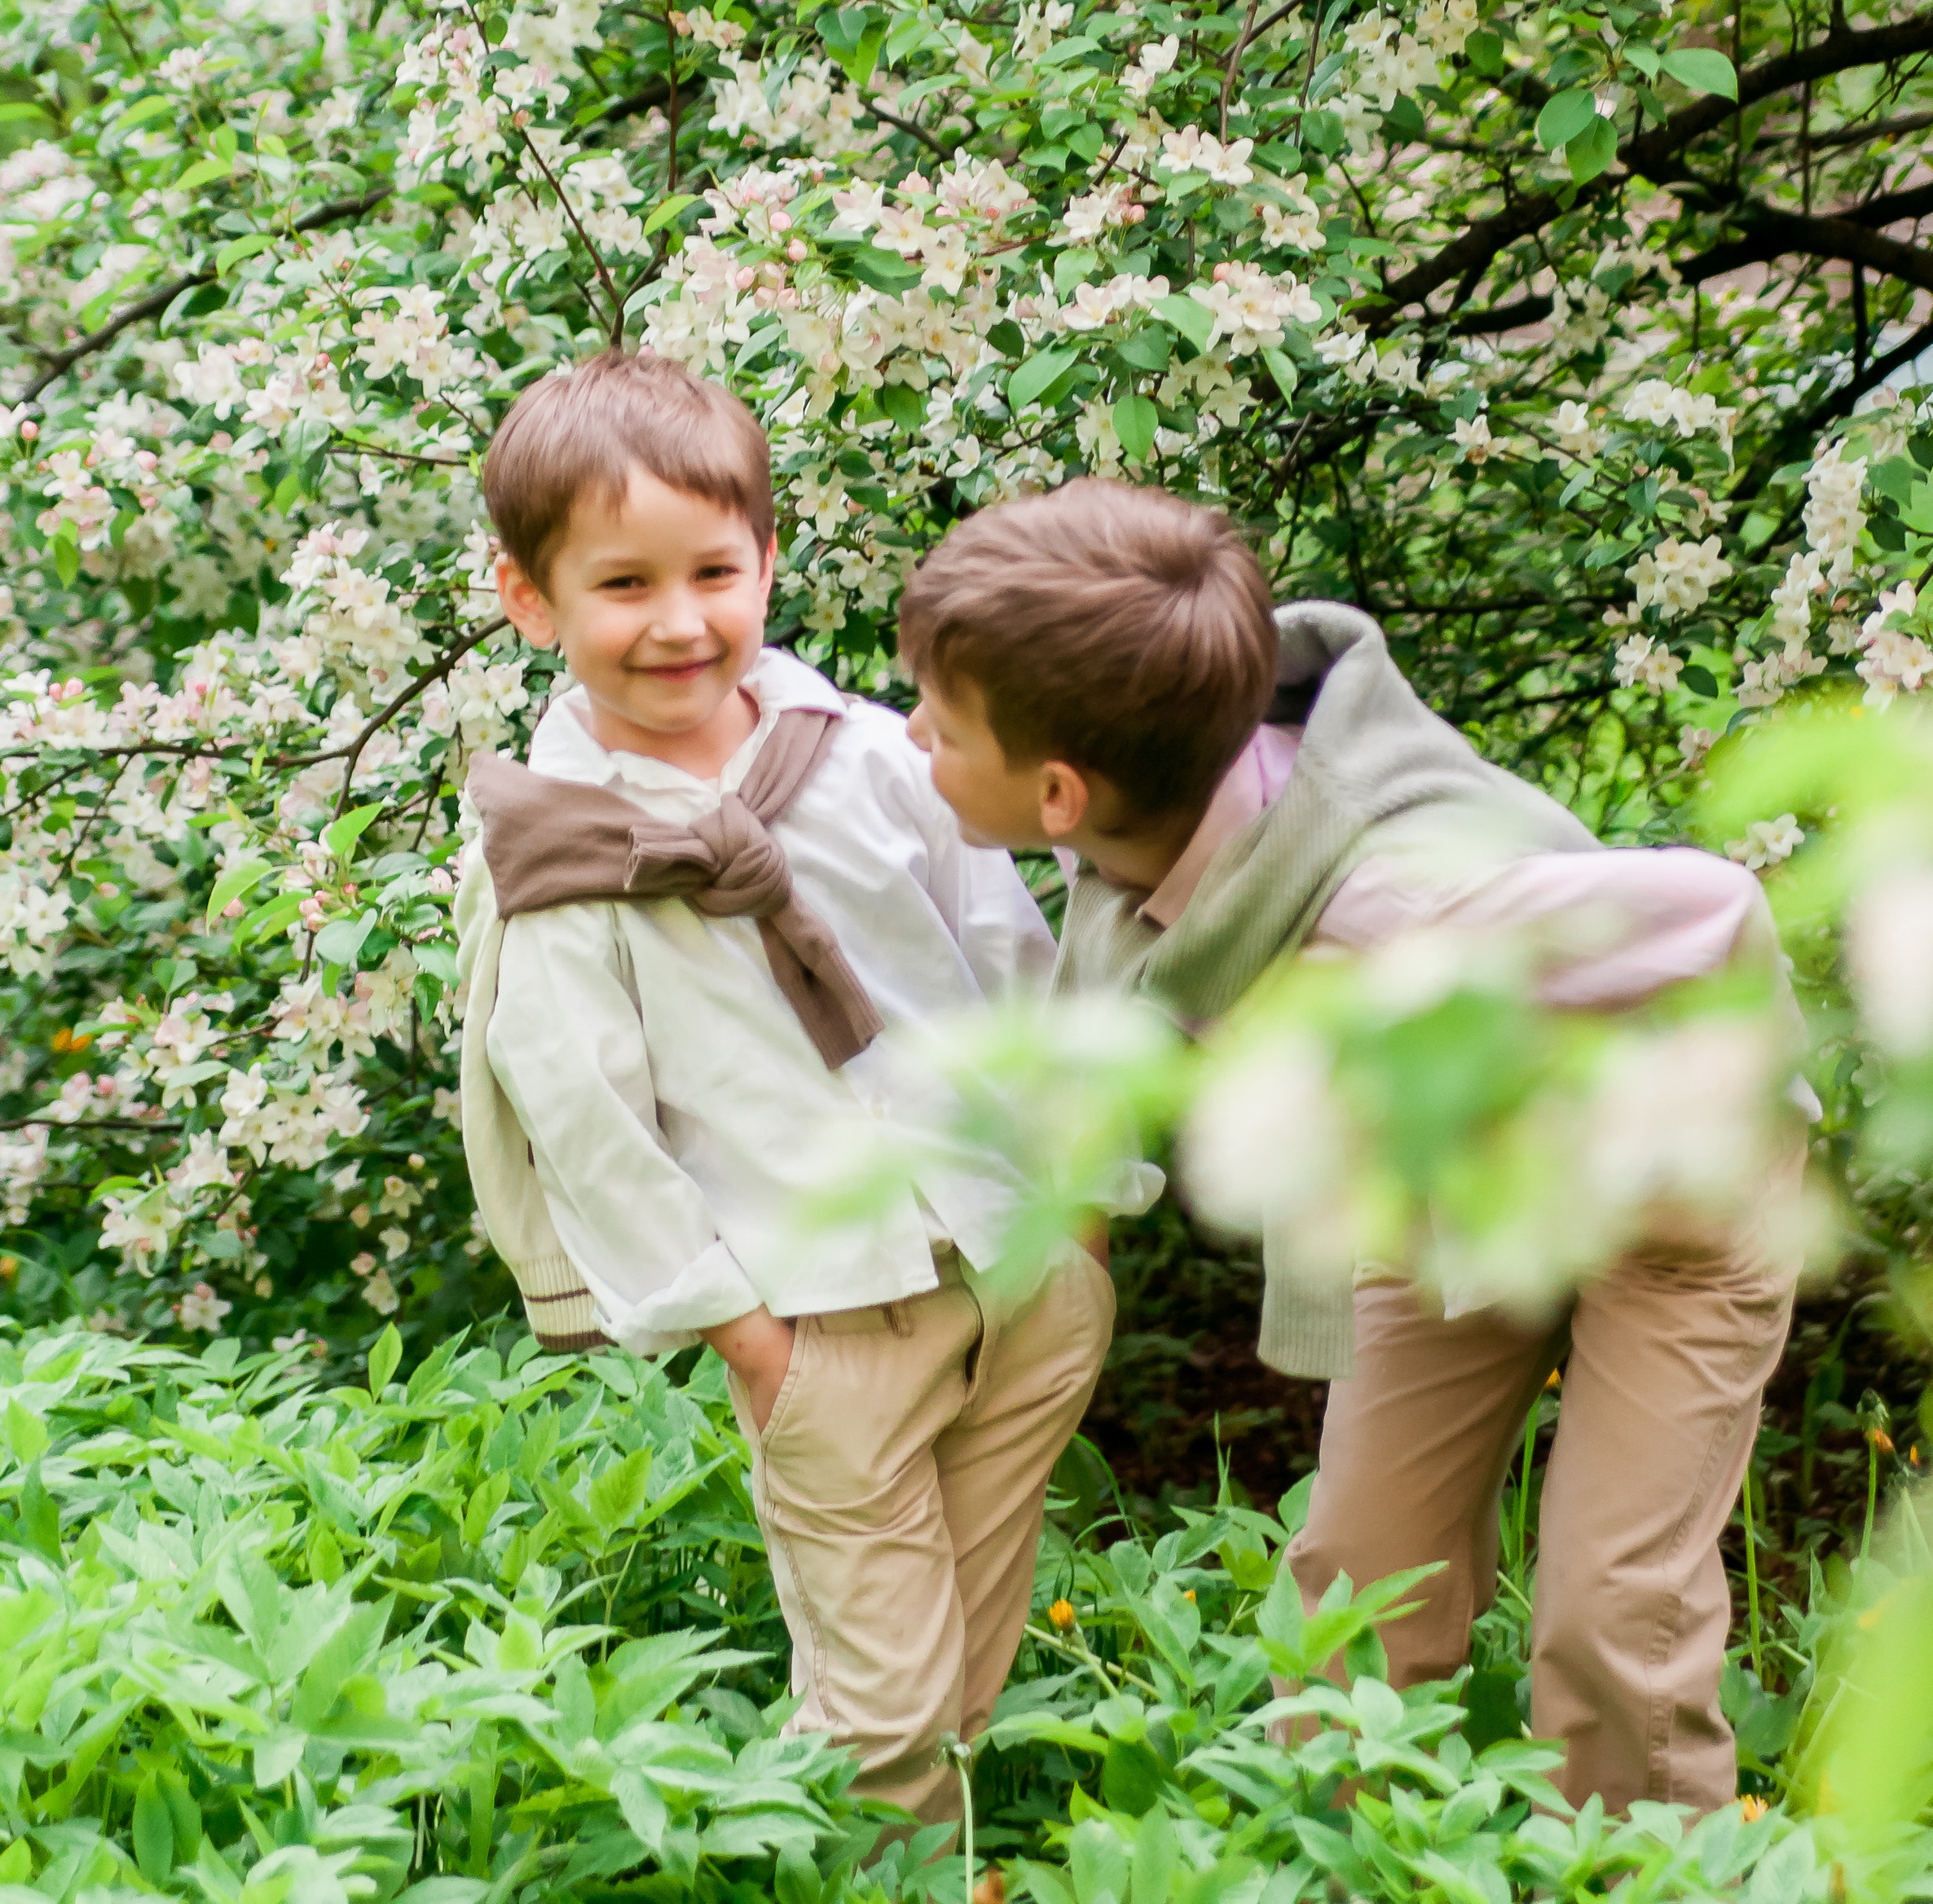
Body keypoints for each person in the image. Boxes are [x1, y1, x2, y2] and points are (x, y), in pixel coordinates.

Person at [898, 477, 1805, 1817]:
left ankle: (1645, 1857)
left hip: (1669, 1200)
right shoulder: (1150, 825)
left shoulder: (1392, 906)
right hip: (1450, 1202)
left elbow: (1715, 908)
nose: (909, 729)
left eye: (938, 719)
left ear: (1055, 790)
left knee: (1612, 1605)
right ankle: (1349, 1847)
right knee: (1354, 1584)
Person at [456, 351, 1125, 1823]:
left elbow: (1012, 964)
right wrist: (744, 1333)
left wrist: (1083, 1203)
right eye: (622, 584)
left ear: (768, 556)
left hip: (1014, 1258)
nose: (680, 621)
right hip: (821, 1316)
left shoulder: (880, 757)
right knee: (881, 1706)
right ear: (532, 598)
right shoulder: (561, 852)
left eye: (712, 569)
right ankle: (887, 1858)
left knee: (966, 1644)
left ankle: (946, 1859)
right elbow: (584, 1116)